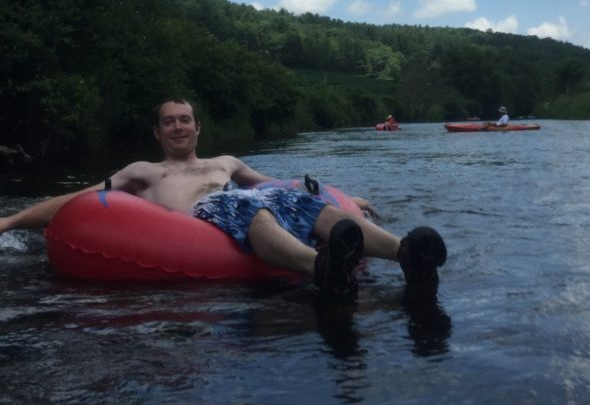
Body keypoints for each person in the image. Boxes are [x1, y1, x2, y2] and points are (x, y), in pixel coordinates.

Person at [0, 99, 446, 297]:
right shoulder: (143, 172)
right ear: (157, 132)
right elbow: (81, 201)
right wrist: (9, 222)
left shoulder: (227, 162)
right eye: (169, 122)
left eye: (186, 120)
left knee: (299, 204)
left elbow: (282, 184)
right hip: (203, 216)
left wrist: (345, 197)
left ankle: (404, 251)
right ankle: (320, 269)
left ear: (198, 128)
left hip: (246, 203)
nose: (178, 127)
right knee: (242, 203)